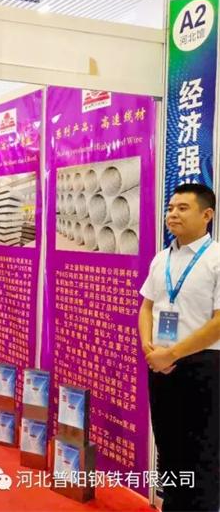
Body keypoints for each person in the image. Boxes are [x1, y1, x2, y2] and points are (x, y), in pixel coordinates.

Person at [138, 183, 220, 512]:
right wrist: (149, 349)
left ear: (207, 215)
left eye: (183, 208)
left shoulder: (216, 259)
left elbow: (219, 322)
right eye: (170, 208)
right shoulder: (162, 259)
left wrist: (170, 354)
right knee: (168, 447)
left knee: (203, 452)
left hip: (203, 367)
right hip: (160, 365)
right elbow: (147, 307)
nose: (172, 214)